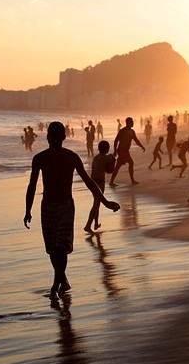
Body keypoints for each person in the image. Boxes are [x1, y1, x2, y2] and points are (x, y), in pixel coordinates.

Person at [24, 121, 120, 299]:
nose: (53, 137)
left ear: (63, 136)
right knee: (52, 249)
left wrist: (105, 202)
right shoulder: (40, 158)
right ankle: (63, 280)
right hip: (47, 207)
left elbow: (89, 182)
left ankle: (55, 285)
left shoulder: (71, 157)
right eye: (50, 134)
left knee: (62, 247)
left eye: (56, 134)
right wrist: (27, 210)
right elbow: (31, 186)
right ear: (47, 137)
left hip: (66, 206)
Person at [83, 140, 115, 233]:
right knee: (96, 204)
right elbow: (110, 171)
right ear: (106, 149)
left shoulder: (96, 157)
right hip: (99, 183)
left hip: (92, 182)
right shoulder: (106, 158)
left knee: (96, 203)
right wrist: (114, 161)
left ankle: (96, 223)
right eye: (108, 147)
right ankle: (88, 226)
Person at [109, 117, 145, 186]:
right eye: (131, 122)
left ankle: (111, 182)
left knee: (118, 166)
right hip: (121, 150)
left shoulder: (132, 131)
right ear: (128, 123)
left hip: (126, 151)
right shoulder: (122, 131)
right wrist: (115, 151)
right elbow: (116, 140)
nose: (133, 123)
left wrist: (142, 146)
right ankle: (132, 180)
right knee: (131, 163)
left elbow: (136, 140)